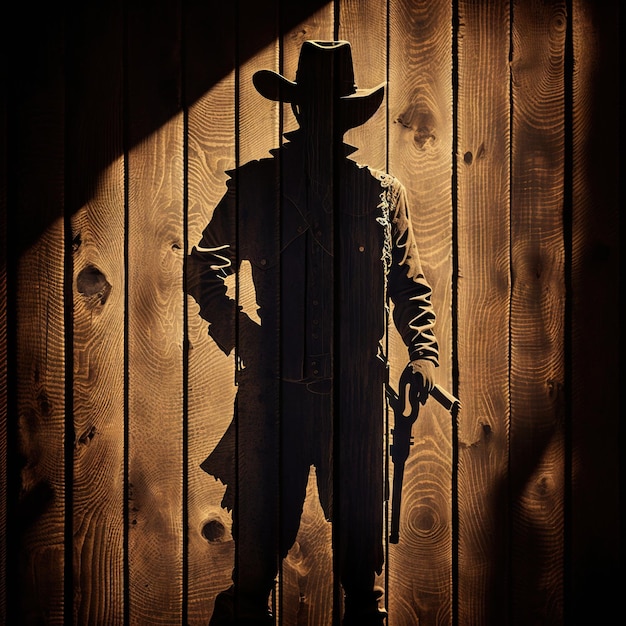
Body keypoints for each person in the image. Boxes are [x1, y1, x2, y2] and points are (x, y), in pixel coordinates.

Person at [187, 40, 439, 626]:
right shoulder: (255, 190)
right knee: (252, 569)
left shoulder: (381, 196)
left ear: (349, 116)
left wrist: (422, 352)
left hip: (355, 402)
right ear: (297, 110)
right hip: (271, 399)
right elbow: (202, 266)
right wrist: (240, 334)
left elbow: (411, 288)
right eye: (314, 106)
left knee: (361, 576)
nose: (322, 117)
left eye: (335, 108)